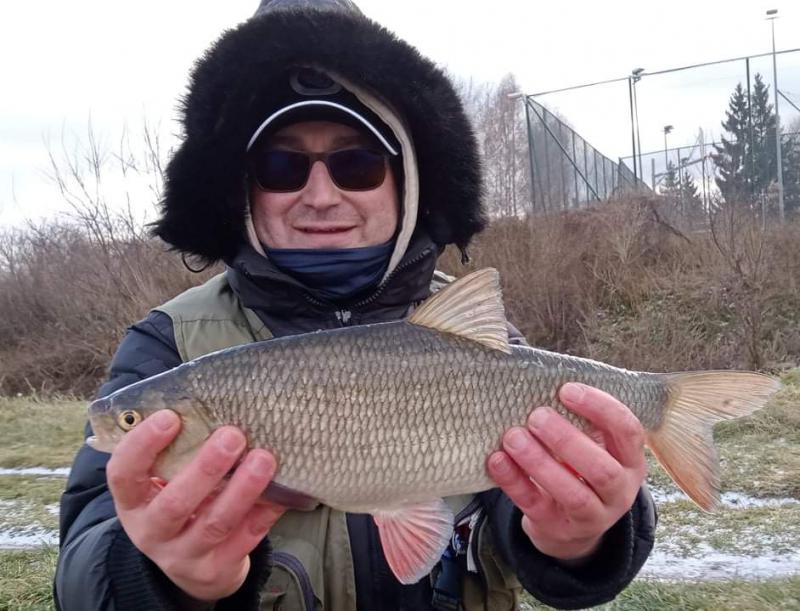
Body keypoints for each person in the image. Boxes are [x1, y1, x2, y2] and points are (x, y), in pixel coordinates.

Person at [55, 1, 656, 609]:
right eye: (281, 166)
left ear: (405, 182)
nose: (320, 195)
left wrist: (581, 542)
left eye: (357, 164)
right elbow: (83, 563)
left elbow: (534, 520)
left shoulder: (482, 340)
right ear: (243, 189)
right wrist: (160, 579)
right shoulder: (167, 344)